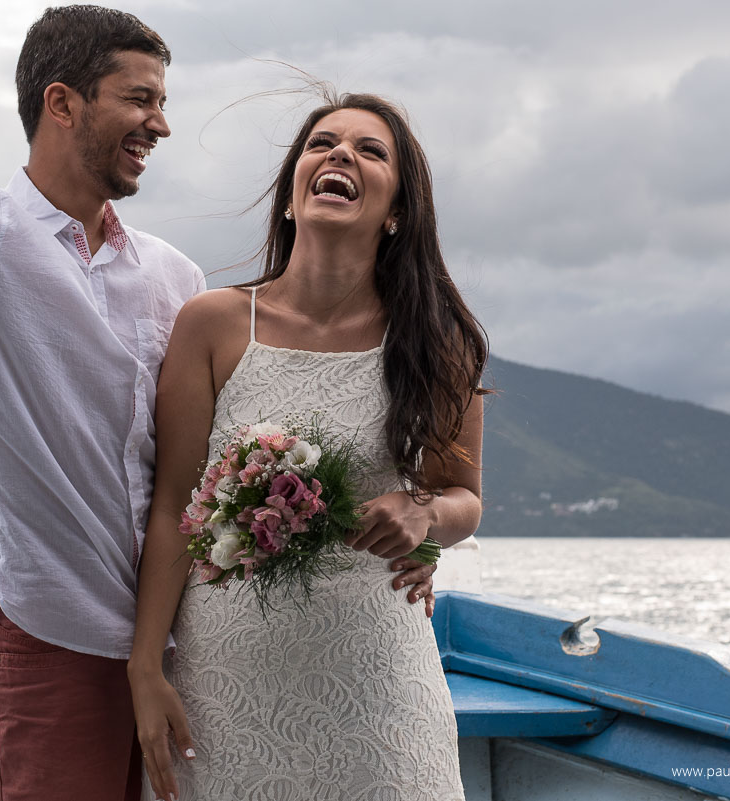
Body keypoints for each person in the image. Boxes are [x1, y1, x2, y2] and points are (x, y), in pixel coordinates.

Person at [0, 4, 438, 799]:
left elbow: (216, 461)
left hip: (189, 646)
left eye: (162, 101)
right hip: (50, 635)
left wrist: (405, 528)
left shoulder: (175, 279)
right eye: (140, 99)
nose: (161, 124)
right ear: (62, 103)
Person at [128, 91, 488, 801]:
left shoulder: (433, 342)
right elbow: (173, 504)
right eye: (322, 143)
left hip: (379, 687)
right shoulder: (213, 324)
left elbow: (464, 499)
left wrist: (422, 513)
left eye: (370, 149)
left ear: (397, 213)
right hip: (225, 689)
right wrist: (144, 670)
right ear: (293, 196)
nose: (341, 154)